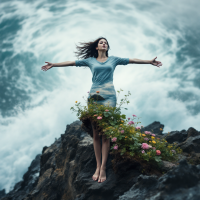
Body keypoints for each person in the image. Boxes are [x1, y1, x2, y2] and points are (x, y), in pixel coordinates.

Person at [41, 37, 162, 183]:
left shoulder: (114, 60)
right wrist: (54, 64)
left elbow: (132, 60)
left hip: (110, 97)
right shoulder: (90, 61)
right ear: (97, 47)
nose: (104, 43)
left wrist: (149, 61)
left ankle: (103, 167)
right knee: (96, 133)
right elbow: (72, 63)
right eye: (101, 42)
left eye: (105, 42)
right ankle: (97, 166)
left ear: (107, 47)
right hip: (94, 97)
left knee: (106, 133)